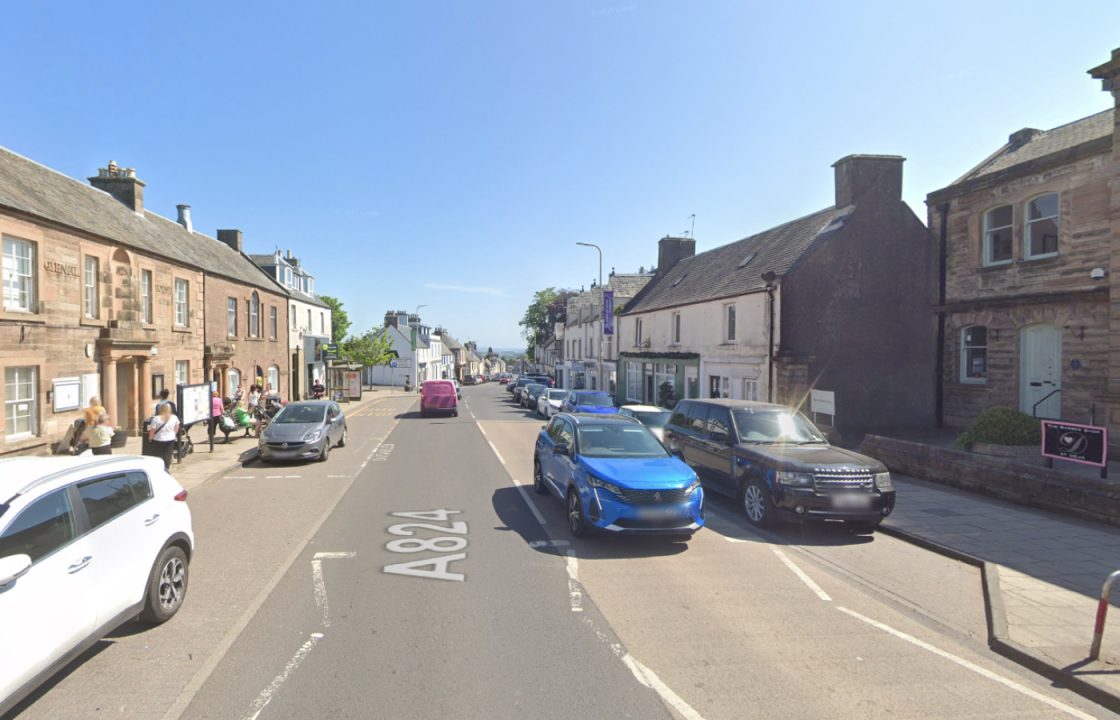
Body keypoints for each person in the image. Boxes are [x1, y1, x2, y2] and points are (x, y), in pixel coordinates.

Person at [147, 403, 180, 471]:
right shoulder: (174, 417)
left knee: (158, 455)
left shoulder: (156, 419)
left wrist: (150, 438)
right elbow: (176, 428)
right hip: (170, 439)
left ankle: (160, 468)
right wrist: (173, 434)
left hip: (158, 439)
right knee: (168, 454)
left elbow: (152, 430)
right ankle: (166, 468)